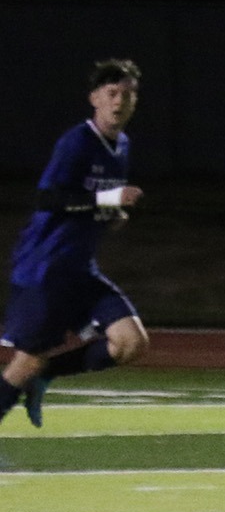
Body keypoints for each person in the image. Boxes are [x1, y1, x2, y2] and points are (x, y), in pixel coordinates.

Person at [1, 59, 152, 428]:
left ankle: (45, 376)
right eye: (111, 93)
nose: (119, 102)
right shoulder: (77, 142)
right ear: (94, 98)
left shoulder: (122, 146)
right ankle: (35, 374)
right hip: (45, 268)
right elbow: (49, 199)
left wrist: (111, 213)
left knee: (130, 343)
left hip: (80, 270)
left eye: (128, 95)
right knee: (27, 361)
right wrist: (108, 200)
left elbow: (90, 201)